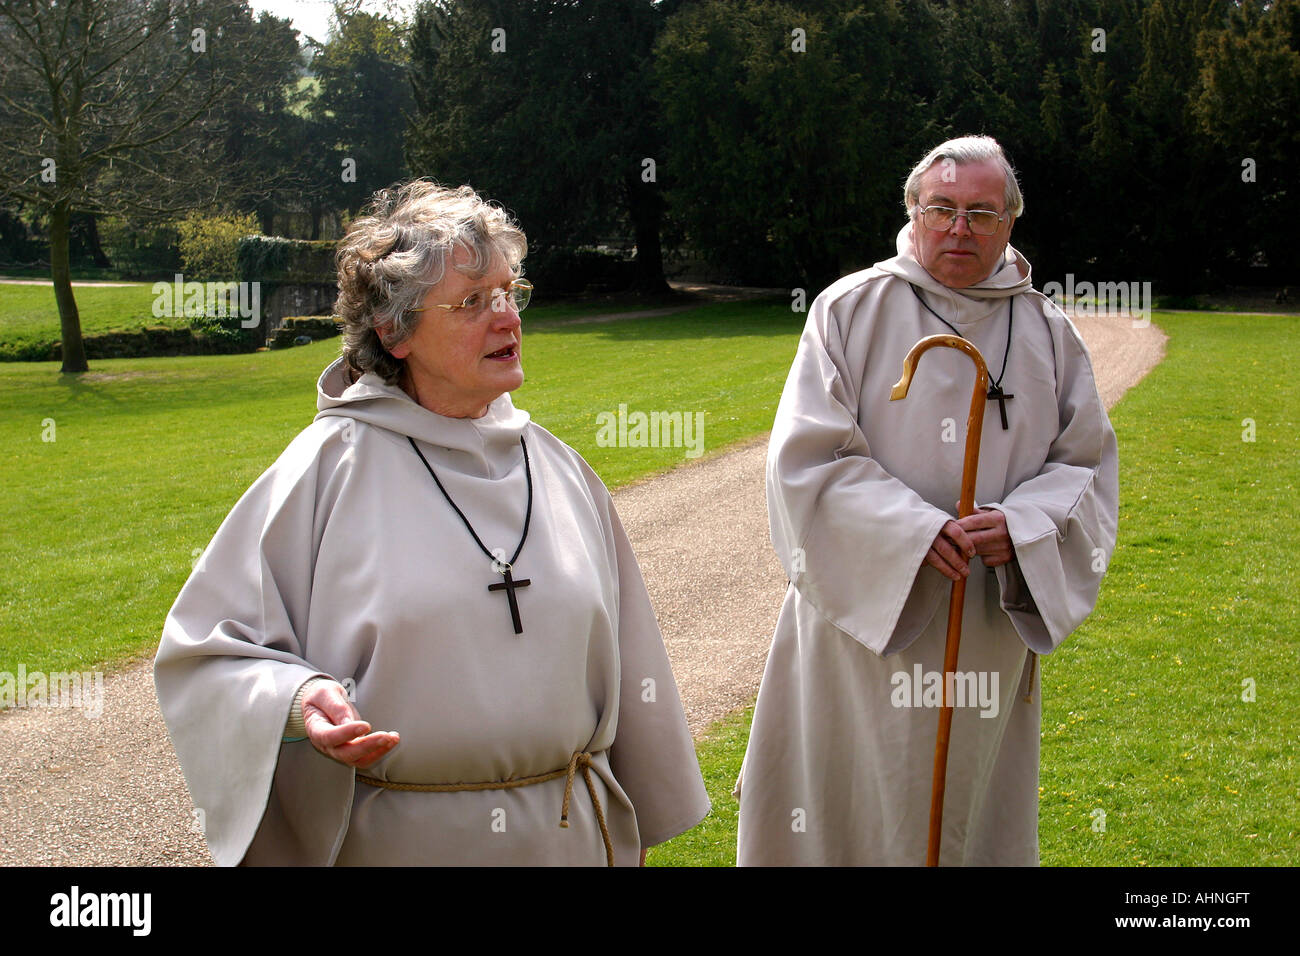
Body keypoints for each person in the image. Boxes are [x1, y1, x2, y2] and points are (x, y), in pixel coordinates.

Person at [155, 181, 709, 866]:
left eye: (511, 292)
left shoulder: (561, 470)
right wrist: (300, 700)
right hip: (408, 843)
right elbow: (206, 652)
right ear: (394, 329)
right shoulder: (328, 470)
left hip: (567, 832)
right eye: (474, 301)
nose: (507, 318)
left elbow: (631, 666)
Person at [735, 135, 1119, 865]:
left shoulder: (1045, 331)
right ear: (913, 213)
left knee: (969, 812)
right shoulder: (850, 310)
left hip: (985, 619)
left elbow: (1086, 466)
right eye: (940, 208)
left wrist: (1024, 525)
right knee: (853, 803)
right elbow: (805, 462)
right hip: (865, 622)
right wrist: (911, 534)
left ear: (1011, 222)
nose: (958, 228)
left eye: (981, 212)